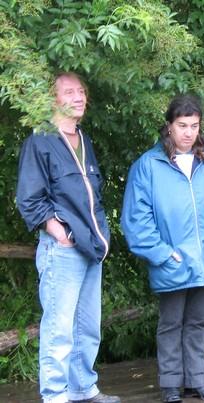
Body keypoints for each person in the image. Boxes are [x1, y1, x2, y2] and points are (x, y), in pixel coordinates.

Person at [121, 95, 204, 403]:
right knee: (171, 323)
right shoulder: (148, 166)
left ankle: (199, 381)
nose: (188, 132)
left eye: (194, 125)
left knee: (199, 322)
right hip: (172, 262)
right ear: (169, 126)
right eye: (182, 125)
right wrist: (163, 253)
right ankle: (172, 385)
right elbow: (137, 220)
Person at [16, 72, 120, 403]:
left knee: (87, 327)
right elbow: (29, 198)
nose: (78, 97)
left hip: (91, 248)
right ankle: (56, 396)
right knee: (59, 330)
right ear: (53, 100)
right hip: (62, 249)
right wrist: (58, 231)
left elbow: (92, 195)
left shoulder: (83, 139)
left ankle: (82, 389)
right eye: (68, 92)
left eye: (81, 92)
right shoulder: (40, 141)